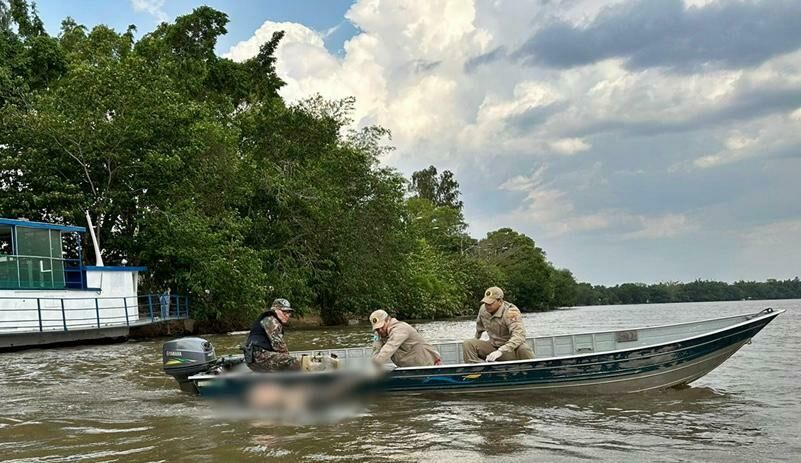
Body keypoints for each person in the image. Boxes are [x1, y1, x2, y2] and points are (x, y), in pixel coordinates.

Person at [463, 286, 534, 363]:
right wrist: (477, 337)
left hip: (510, 350)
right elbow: (479, 327)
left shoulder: (511, 312)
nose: (487, 306)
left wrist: (501, 351)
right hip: (493, 346)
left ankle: (530, 368)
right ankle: (476, 370)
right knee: (468, 343)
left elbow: (519, 336)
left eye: (490, 303)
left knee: (523, 349)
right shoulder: (483, 310)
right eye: (485, 303)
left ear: (500, 301)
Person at [243, 298, 300, 372]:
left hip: (255, 358)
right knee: (292, 361)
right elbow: (279, 346)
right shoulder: (271, 321)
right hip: (259, 358)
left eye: (289, 312)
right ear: (275, 310)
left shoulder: (268, 319)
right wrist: (289, 358)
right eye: (284, 312)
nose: (287, 315)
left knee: (284, 360)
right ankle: (296, 382)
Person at [370, 309, 441, 367]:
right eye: (377, 329)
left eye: (382, 327)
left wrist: (378, 361)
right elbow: (376, 348)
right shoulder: (378, 334)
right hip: (409, 368)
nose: (380, 331)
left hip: (428, 365)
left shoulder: (400, 328)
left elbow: (391, 346)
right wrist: (374, 365)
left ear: (388, 320)